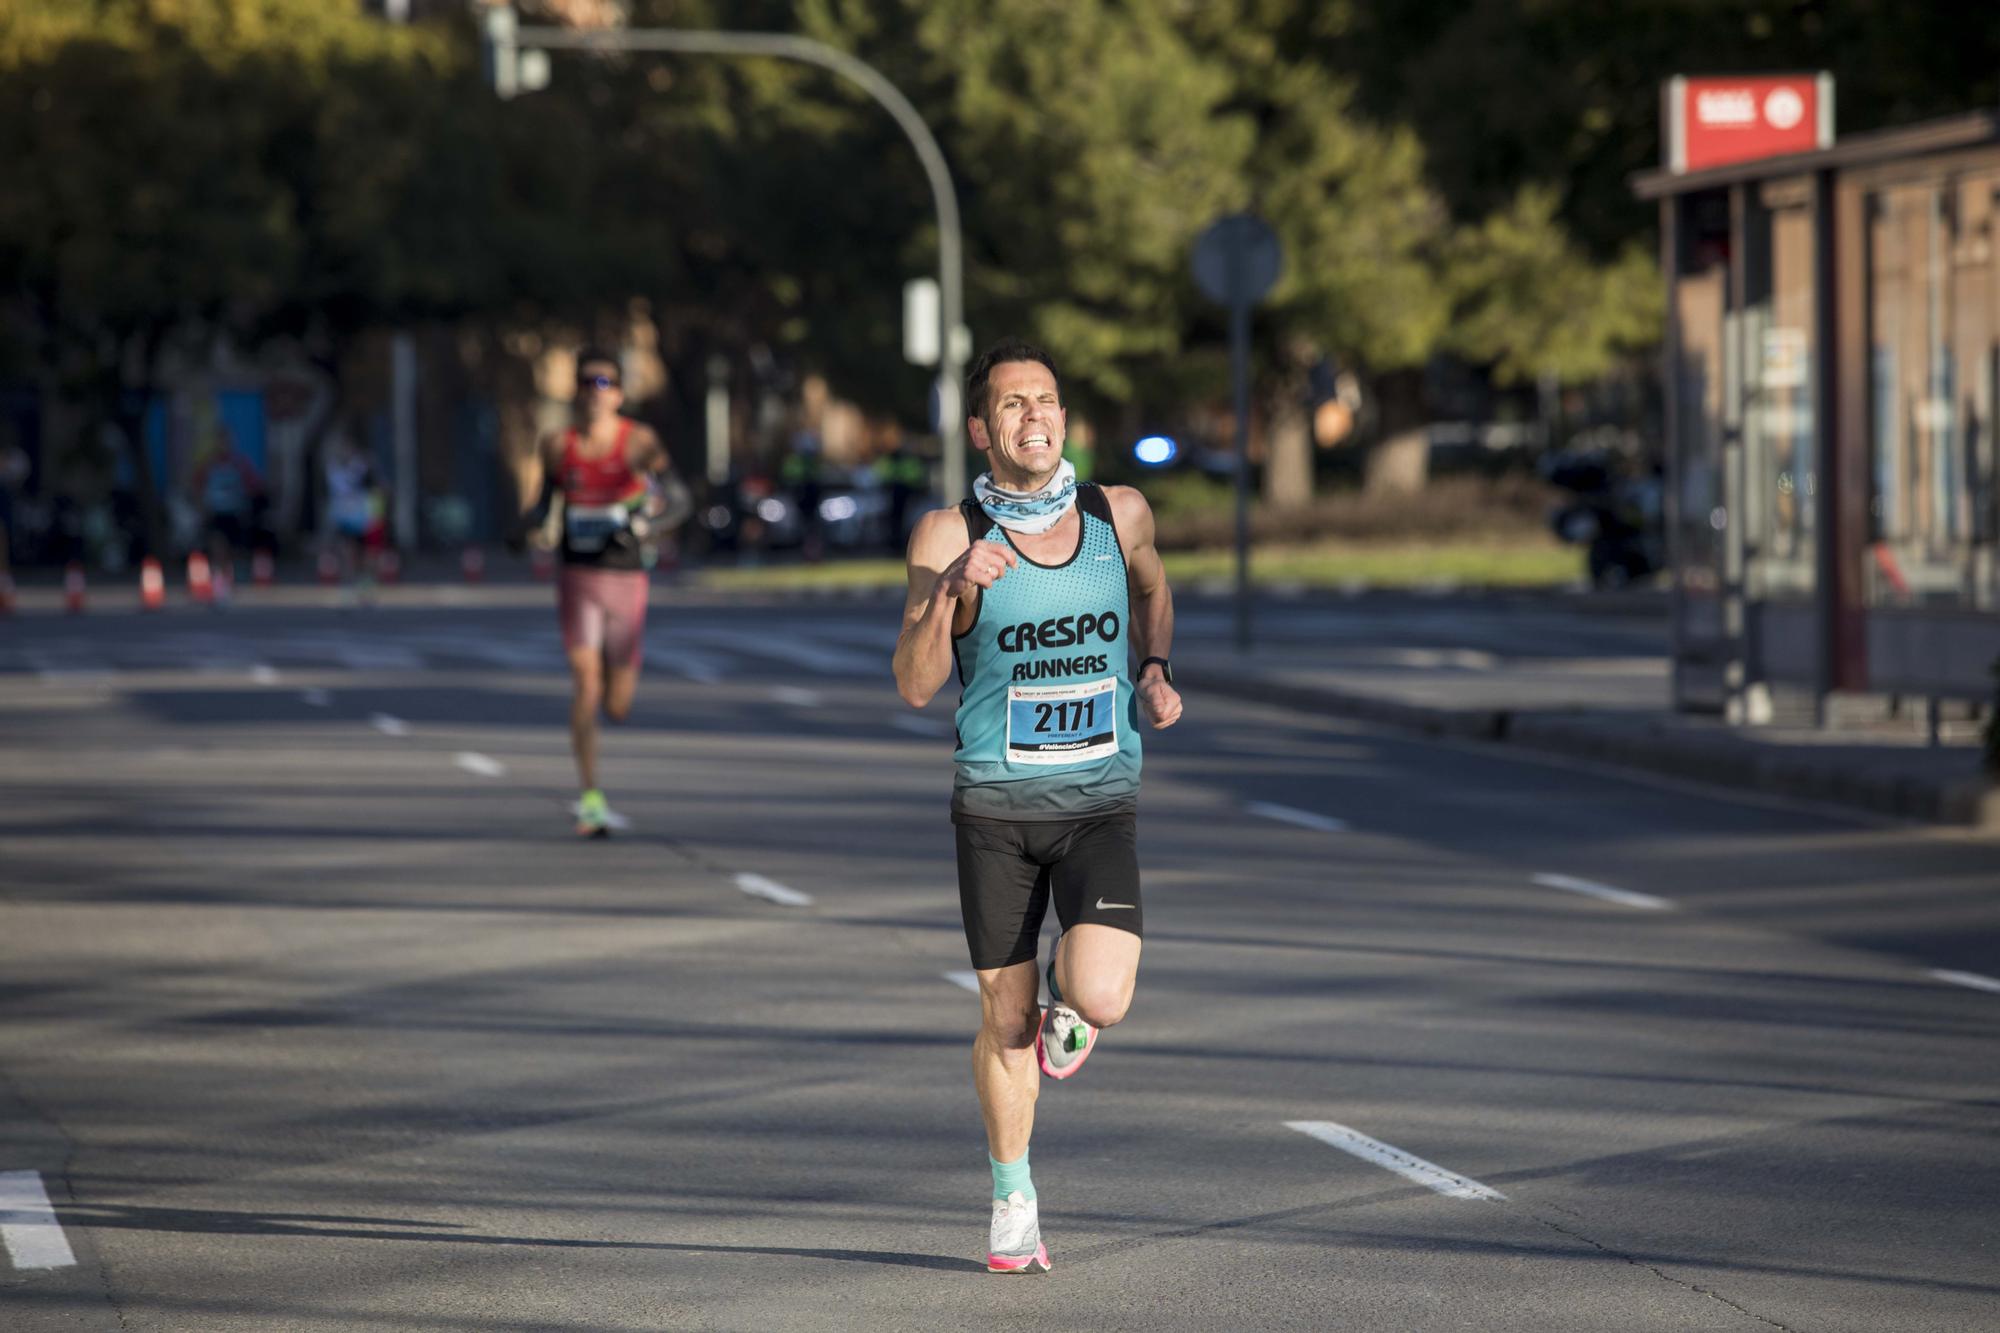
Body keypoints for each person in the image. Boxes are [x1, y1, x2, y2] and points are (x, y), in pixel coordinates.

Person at [892, 337, 1182, 1274]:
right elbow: (913, 683)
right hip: (995, 812)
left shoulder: (1117, 511)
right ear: (982, 428)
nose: (1033, 418)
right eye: (1012, 405)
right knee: (1006, 1023)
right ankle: (1012, 1195)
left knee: (1099, 992)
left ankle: (1075, 1008)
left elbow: (1153, 586)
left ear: (1065, 415)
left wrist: (1154, 666)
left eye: (1046, 401)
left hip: (1100, 799)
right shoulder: (948, 533)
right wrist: (948, 594)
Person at [518, 348, 689, 838]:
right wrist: (523, 529)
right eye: (588, 382)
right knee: (585, 682)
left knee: (617, 703)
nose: (597, 392)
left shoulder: (638, 442)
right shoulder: (557, 445)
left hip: (626, 577)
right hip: (577, 576)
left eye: (606, 383)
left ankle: (617, 696)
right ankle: (590, 798)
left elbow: (679, 498)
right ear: (575, 390)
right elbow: (544, 505)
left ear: (618, 393)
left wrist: (647, 525)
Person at [192, 428, 263, 601]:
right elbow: (196, 485)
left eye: (227, 441)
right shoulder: (210, 464)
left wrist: (246, 498)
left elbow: (255, 485)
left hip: (234, 513)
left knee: (232, 552)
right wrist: (201, 506)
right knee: (218, 549)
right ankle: (218, 586)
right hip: (216, 513)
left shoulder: (239, 463)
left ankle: (229, 583)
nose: (224, 445)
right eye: (221, 441)